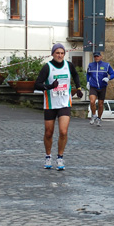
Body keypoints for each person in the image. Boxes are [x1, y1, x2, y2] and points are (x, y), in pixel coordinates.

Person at [34, 43, 83, 171]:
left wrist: (78, 88)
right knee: (49, 133)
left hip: (64, 103)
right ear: (53, 54)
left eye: (62, 53)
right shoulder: (47, 67)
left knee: (63, 131)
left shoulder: (69, 65)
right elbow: (37, 84)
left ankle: (60, 157)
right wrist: (50, 86)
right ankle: (48, 156)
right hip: (50, 104)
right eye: (57, 53)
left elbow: (76, 75)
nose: (60, 55)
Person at [86, 51, 114, 127]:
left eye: (98, 56)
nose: (96, 58)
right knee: (92, 101)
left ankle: (99, 118)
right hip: (93, 86)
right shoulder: (90, 65)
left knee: (100, 104)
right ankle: (94, 115)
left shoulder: (106, 65)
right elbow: (88, 74)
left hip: (102, 87)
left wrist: (108, 78)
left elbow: (113, 74)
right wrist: (88, 82)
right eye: (95, 56)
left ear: (101, 56)